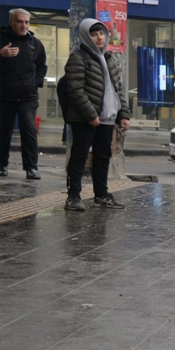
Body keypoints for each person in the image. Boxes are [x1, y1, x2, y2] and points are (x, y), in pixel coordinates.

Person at [63, 19, 130, 210]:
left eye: (101, 33)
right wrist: (91, 115)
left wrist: (123, 114)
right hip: (85, 118)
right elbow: (75, 89)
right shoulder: (78, 58)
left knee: (103, 156)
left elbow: (118, 89)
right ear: (86, 36)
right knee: (79, 156)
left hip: (108, 117)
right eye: (93, 34)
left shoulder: (110, 59)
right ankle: (73, 196)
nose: (99, 37)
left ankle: (101, 195)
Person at [0, 8, 48, 179]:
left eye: (27, 22)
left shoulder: (35, 44)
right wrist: (1, 54)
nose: (24, 25)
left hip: (28, 96)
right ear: (11, 22)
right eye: (20, 22)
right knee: (3, 132)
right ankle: (1, 165)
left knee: (29, 130)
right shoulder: (2, 40)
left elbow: (42, 66)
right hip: (4, 95)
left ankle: (31, 168)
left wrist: (36, 83)